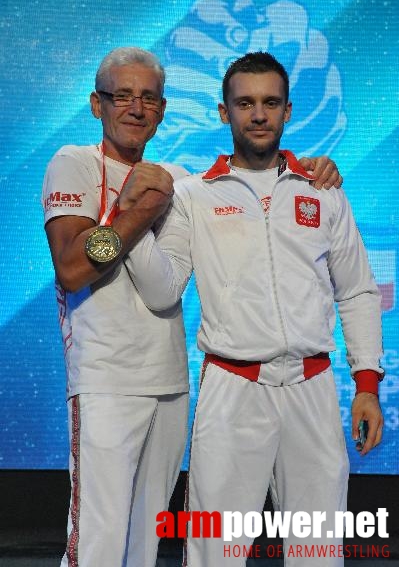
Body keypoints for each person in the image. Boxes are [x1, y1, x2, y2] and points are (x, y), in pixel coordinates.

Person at [42, 46, 343, 567]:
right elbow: (73, 267)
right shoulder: (74, 163)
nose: (135, 108)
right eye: (122, 96)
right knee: (97, 538)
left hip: (171, 384)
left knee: (144, 543)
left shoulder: (181, 180)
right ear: (97, 105)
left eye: (149, 98)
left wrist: (314, 169)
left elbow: (236, 212)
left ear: (162, 109)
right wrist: (135, 211)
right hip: (105, 381)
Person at [125, 51, 384, 566]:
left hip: (311, 389)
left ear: (288, 111)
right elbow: (162, 291)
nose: (258, 114)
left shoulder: (324, 191)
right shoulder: (193, 196)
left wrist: (368, 386)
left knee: (319, 551)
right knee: (214, 552)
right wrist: (129, 220)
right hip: (232, 390)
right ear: (224, 112)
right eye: (245, 103)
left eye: (270, 103)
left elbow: (357, 291)